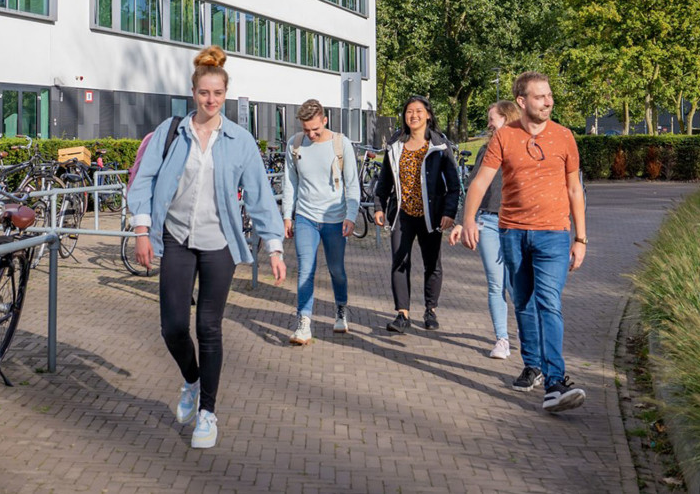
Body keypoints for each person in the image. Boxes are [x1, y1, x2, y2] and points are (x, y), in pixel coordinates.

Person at [127, 46, 286, 449]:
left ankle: (207, 413)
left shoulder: (240, 140)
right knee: (174, 326)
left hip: (220, 245)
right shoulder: (170, 131)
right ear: (193, 92)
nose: (210, 100)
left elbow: (259, 195)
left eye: (217, 93)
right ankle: (192, 380)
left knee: (209, 327)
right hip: (176, 238)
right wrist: (142, 230)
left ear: (225, 95)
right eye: (203, 93)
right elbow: (143, 181)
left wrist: (274, 247)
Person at [461, 71, 588, 413]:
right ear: (521, 101)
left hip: (554, 234)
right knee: (523, 301)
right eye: (539, 96)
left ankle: (555, 382)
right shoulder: (503, 137)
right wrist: (468, 219)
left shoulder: (564, 137)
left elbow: (575, 189)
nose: (548, 101)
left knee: (549, 302)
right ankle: (532, 364)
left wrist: (581, 237)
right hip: (513, 233)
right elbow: (480, 183)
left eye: (549, 96)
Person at [373, 95, 460, 333]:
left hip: (431, 215)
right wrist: (379, 206)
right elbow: (384, 180)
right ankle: (403, 314)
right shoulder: (395, 145)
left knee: (433, 264)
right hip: (403, 214)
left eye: (419, 111)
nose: (414, 115)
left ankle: (430, 310)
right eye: (409, 111)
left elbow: (454, 185)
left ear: (428, 115)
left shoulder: (440, 145)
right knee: (399, 261)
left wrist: (449, 212)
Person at [282, 99, 359, 344]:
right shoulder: (295, 145)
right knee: (305, 269)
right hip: (306, 217)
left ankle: (340, 309)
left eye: (315, 129)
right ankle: (304, 322)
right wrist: (287, 215)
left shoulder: (340, 143)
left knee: (336, 270)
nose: (311, 134)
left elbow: (352, 184)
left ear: (325, 120)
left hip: (335, 219)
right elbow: (290, 182)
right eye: (306, 130)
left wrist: (351, 215)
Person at [449, 100, 522, 360]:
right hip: (488, 222)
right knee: (495, 283)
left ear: (507, 118)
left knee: (516, 284)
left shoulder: (524, 147)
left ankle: (526, 335)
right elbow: (473, 189)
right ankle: (502, 339)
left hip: (516, 224)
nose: (489, 124)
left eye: (493, 118)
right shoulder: (486, 149)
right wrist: (462, 221)